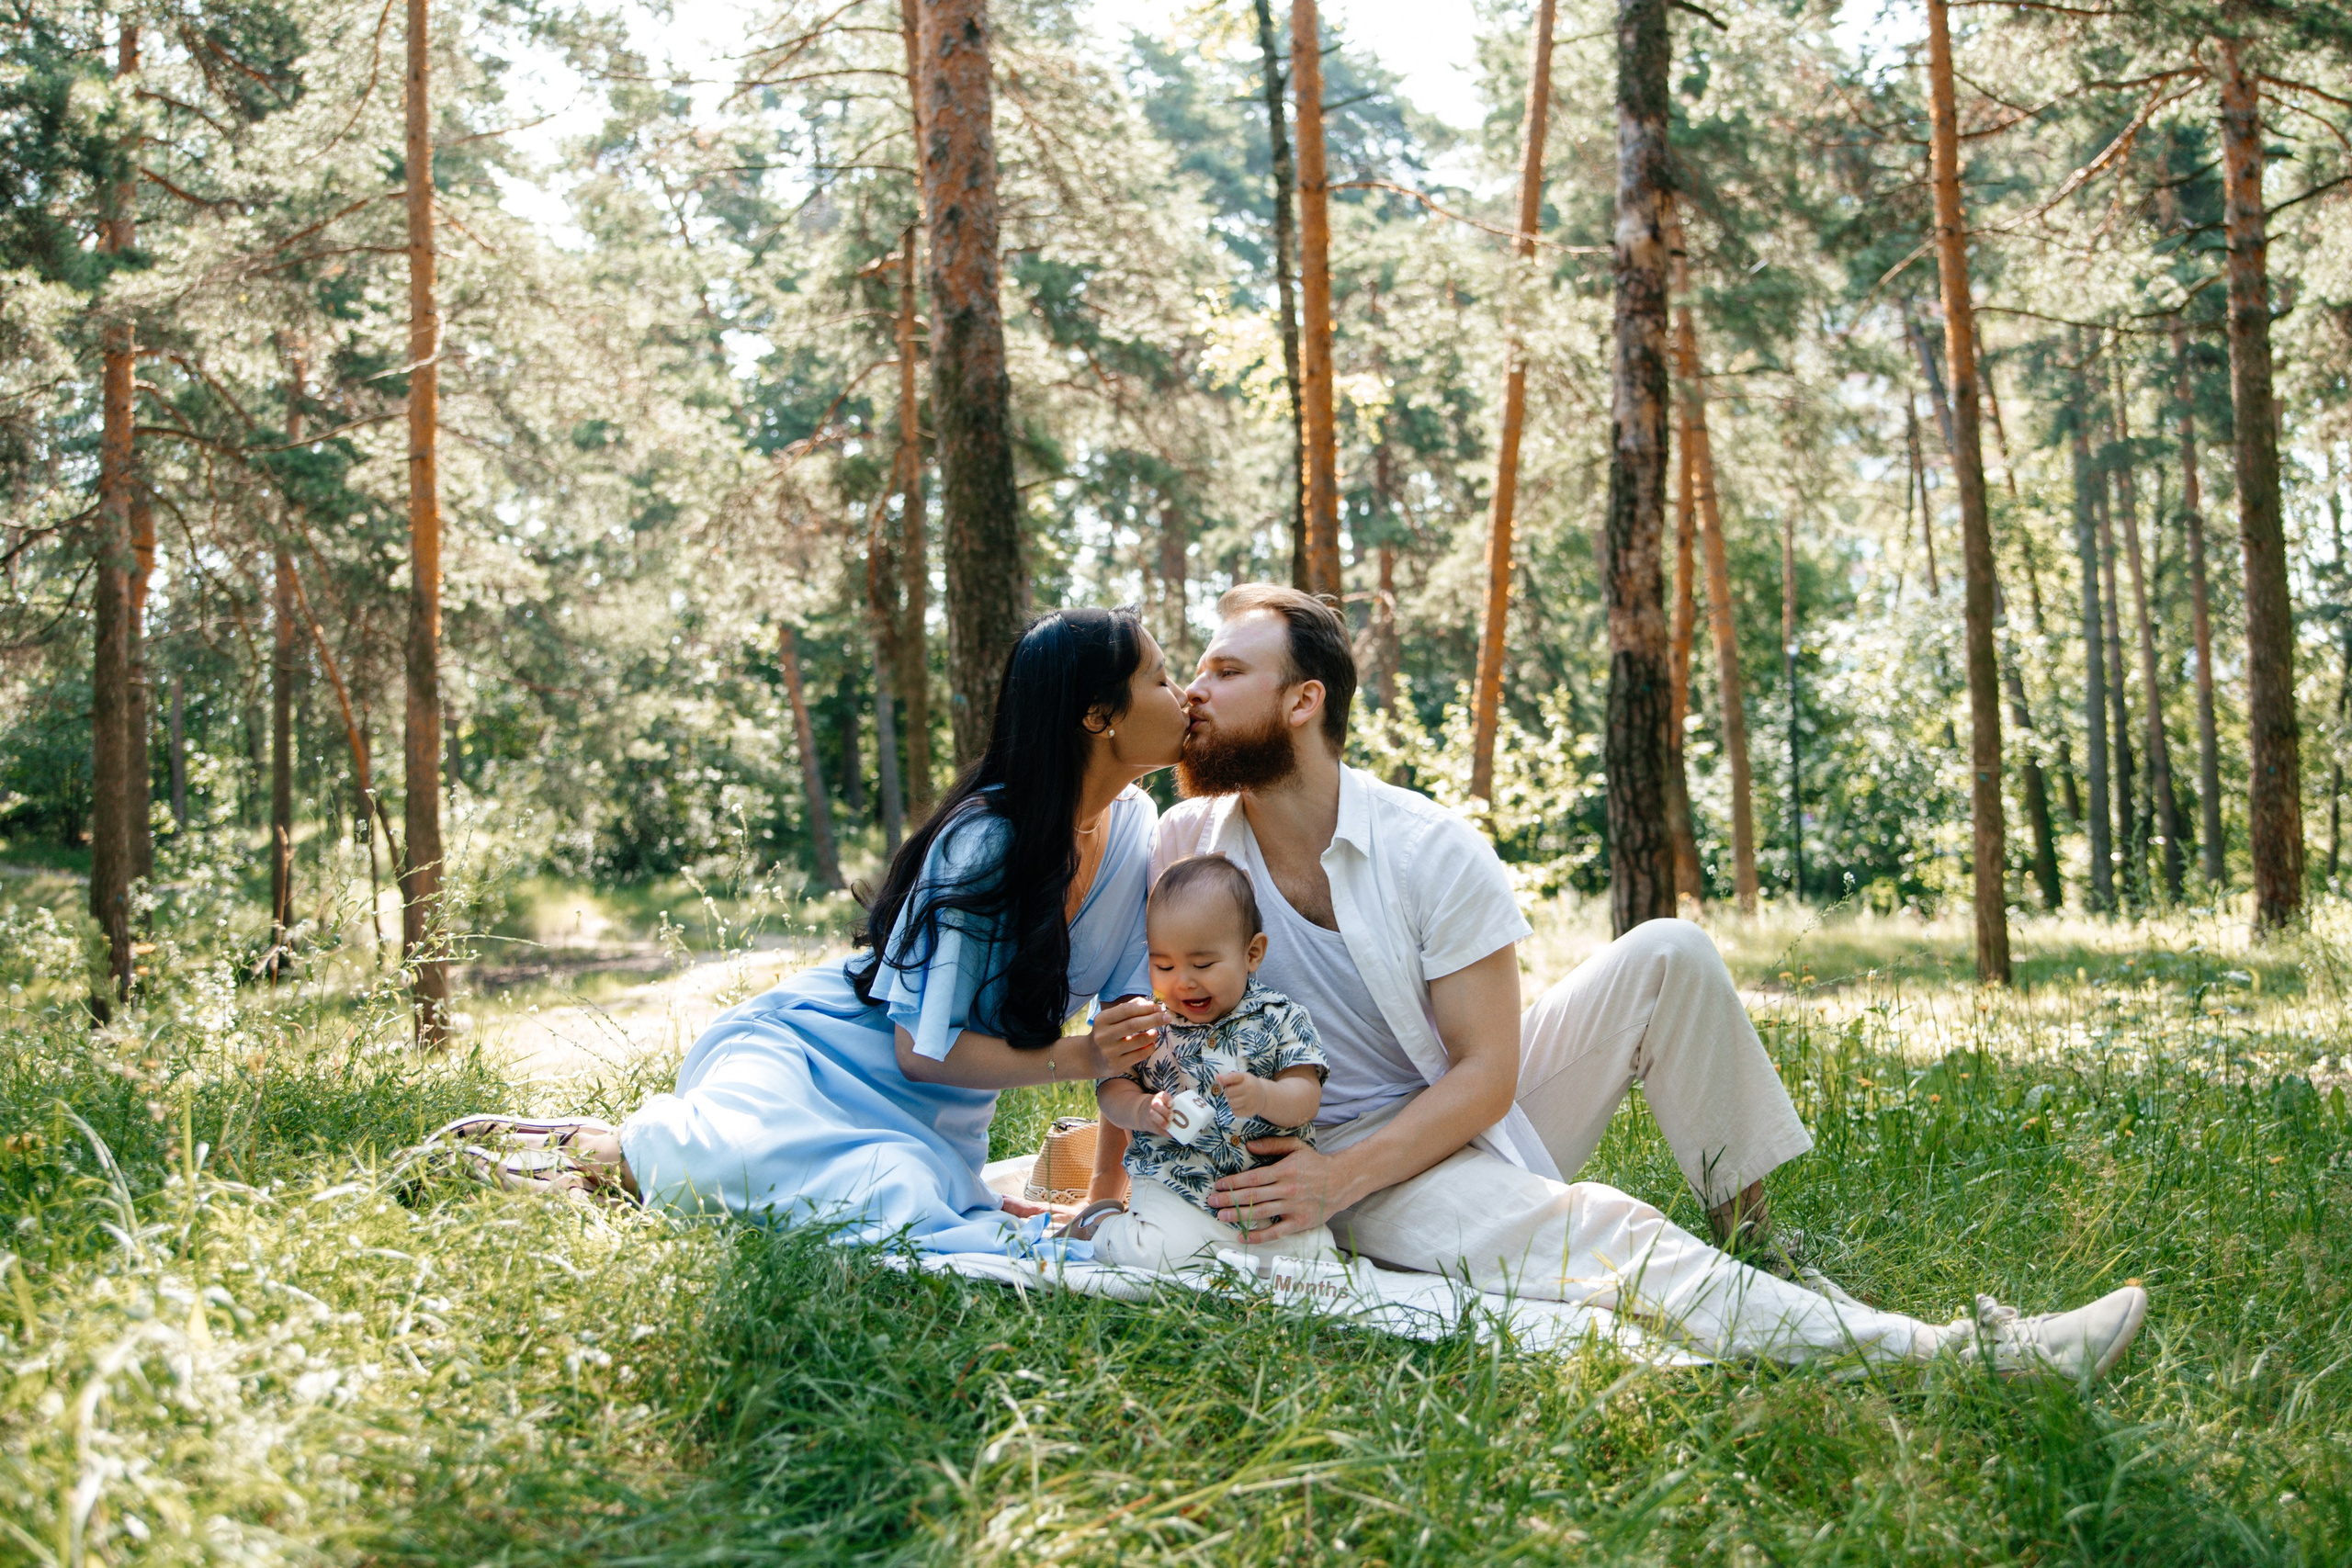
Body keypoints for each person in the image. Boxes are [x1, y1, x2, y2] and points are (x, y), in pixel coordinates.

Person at [1083, 583, 2147, 1377]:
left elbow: (1489, 1074)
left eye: (1223, 672)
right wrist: (1282, 1178)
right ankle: (1965, 1357)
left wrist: (1349, 1171)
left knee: (1667, 953)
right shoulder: (1185, 838)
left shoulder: (1425, 848)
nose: (1192, 693)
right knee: (1614, 1231)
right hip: (1327, 1166)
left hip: (1443, 1120)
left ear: (1303, 701)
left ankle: (1761, 1249)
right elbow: (1118, 972)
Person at [429, 606, 1191, 1253]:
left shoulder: (1136, 832)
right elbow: (921, 1053)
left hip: (930, 1128)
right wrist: (1078, 1053)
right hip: (810, 1057)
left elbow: (1130, 1043)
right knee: (800, 1177)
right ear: (1098, 716)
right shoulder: (985, 842)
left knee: (899, 1197)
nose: (1183, 693)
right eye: (1159, 677)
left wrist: (1104, 1197)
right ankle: (600, 1151)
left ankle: (611, 1168)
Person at [1089, 854, 1337, 1271]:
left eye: (1202, 964)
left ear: (1252, 953)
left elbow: (1306, 1095)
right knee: (1151, 1255)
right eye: (1163, 965)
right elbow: (1111, 1088)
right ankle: (1102, 1225)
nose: (1183, 980)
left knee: (1318, 1264)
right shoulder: (1151, 1025)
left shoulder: (1280, 1016)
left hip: (1269, 1196)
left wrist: (1265, 1094)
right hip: (1177, 1188)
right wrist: (1138, 1109)